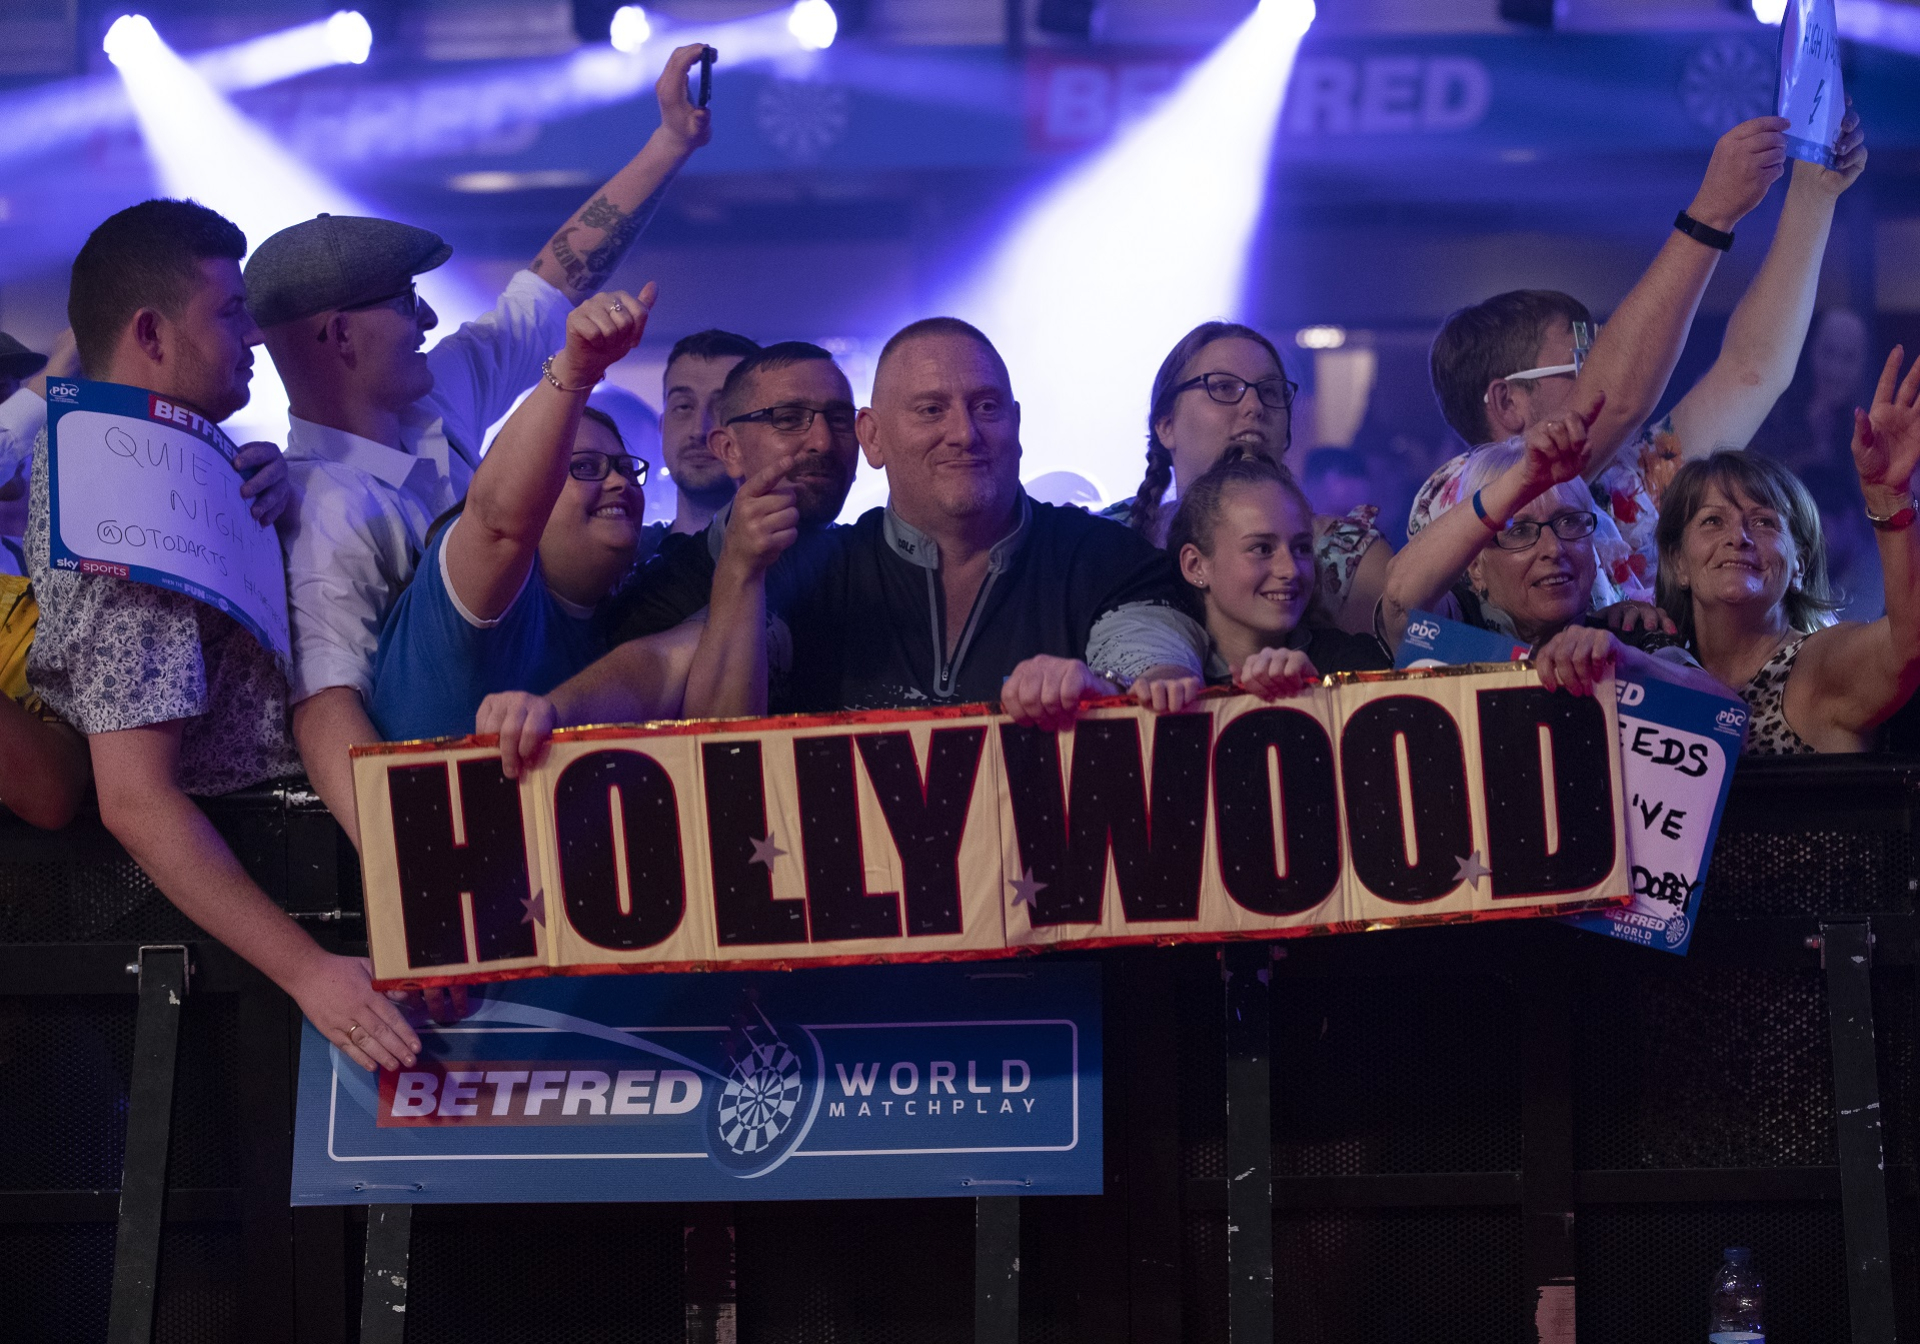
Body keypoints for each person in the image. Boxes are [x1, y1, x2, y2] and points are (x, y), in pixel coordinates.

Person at [254, 43, 715, 848]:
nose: (429, 321)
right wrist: (414, 883)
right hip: (469, 823)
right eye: (406, 303)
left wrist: (668, 142)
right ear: (339, 337)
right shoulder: (320, 510)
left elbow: (550, 285)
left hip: (547, 754)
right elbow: (324, 707)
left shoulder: (433, 395)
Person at [25, 199, 417, 1073]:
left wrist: (257, 508)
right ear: (152, 334)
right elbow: (135, 796)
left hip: (246, 893)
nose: (254, 336)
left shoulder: (161, 459)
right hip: (207, 928)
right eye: (231, 312)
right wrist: (309, 973)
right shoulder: (119, 492)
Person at [1412, 110, 1868, 594]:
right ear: (1508, 402)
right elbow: (1624, 397)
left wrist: (1812, 194)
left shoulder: (1627, 481)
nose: (1610, 368)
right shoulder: (1457, 494)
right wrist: (1710, 213)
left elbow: (1751, 371)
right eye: (1585, 363)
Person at [475, 340, 864, 773]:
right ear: (729, 446)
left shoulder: (857, 549)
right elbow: (657, 663)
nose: (821, 440)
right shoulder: (650, 576)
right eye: (789, 419)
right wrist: (549, 714)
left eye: (839, 419)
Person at [369, 288, 678, 743]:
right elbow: (499, 519)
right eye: (586, 467)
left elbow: (677, 652)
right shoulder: (477, 595)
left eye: (626, 468)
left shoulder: (633, 593)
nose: (618, 483)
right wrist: (575, 371)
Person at [1647, 348, 1920, 754]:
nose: (1738, 537)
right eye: (1712, 520)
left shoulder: (1820, 668)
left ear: (1799, 565)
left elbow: (1910, 642)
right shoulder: (1655, 677)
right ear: (1677, 563)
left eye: (1763, 522)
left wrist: (1888, 497)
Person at [1105, 321, 1391, 636]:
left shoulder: (1347, 558)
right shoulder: (1108, 538)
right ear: (1165, 425)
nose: (1254, 406)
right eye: (1224, 387)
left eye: (1269, 391)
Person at [1165, 455, 1390, 697]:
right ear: (1195, 565)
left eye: (1302, 548)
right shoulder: (1164, 680)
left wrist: (1319, 694)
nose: (1291, 570)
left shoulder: (1355, 664)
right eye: (1262, 549)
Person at [658, 328, 760, 537]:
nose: (699, 430)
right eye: (684, 406)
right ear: (662, 426)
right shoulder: (627, 561)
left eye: (722, 408)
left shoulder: (821, 562)